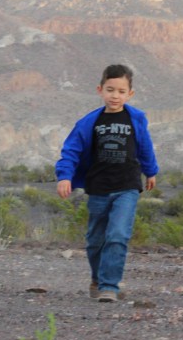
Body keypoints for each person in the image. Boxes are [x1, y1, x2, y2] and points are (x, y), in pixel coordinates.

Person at [55, 64, 158, 302]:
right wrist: (64, 176)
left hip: (127, 187)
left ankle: (109, 286)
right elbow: (71, 150)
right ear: (100, 90)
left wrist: (151, 171)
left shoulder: (136, 118)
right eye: (110, 90)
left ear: (130, 94)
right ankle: (97, 279)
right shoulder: (89, 122)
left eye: (121, 91)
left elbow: (145, 147)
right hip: (99, 188)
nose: (115, 96)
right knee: (95, 241)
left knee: (118, 235)